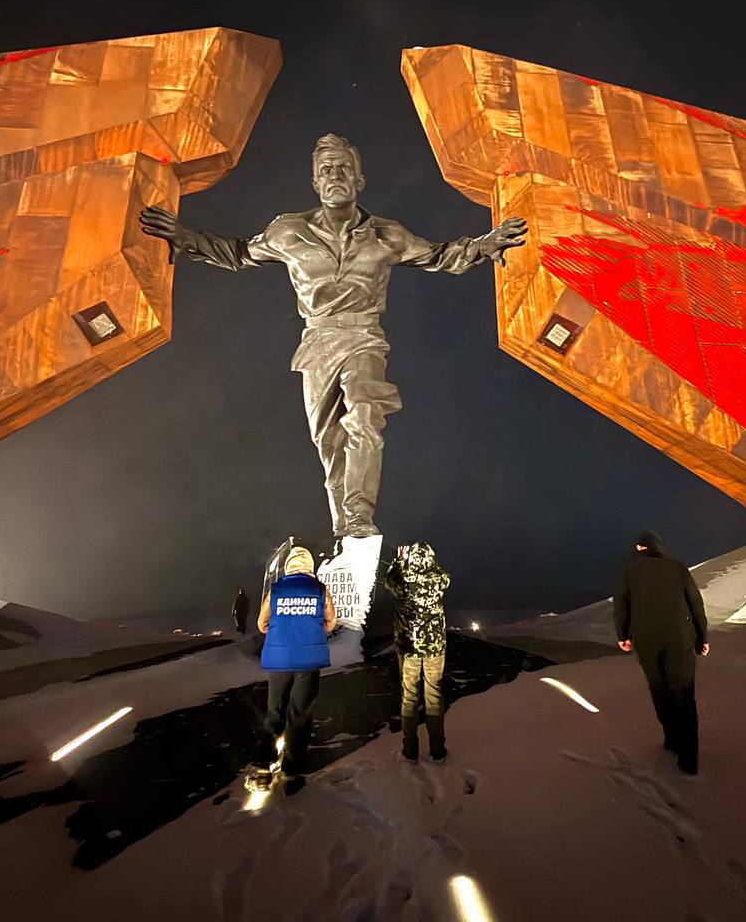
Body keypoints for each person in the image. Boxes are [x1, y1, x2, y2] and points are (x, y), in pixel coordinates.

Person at [140, 134, 527, 539]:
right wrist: (185, 238)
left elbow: (439, 255)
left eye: (344, 168)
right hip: (318, 343)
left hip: (364, 336)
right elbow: (238, 254)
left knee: (364, 413)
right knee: (328, 442)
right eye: (326, 170)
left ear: (360, 180)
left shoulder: (386, 235)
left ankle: (359, 516)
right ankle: (345, 529)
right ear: (315, 182)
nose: (335, 176)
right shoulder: (288, 232)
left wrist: (484, 245)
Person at [613, 530, 709, 775]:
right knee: (683, 693)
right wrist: (702, 637)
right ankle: (689, 759)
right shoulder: (677, 567)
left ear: (640, 548)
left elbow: (622, 604)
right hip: (680, 638)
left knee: (660, 689)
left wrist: (623, 635)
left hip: (647, 640)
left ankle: (672, 739)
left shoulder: (630, 570)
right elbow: (695, 602)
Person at [257, 546, 336, 788]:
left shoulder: (276, 590)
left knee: (275, 711)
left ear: (289, 566)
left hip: (279, 660)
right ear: (310, 566)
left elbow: (262, 624)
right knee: (299, 715)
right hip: (308, 660)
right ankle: (291, 773)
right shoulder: (320, 589)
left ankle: (263, 767)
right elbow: (331, 623)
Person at [386, 542, 451, 764]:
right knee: (434, 695)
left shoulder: (402, 580)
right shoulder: (440, 579)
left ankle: (410, 749)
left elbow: (389, 579)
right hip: (435, 648)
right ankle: (438, 749)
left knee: (409, 696)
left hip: (409, 648)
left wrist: (400, 560)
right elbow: (442, 572)